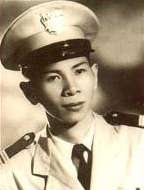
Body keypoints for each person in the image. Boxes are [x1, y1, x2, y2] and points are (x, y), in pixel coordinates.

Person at [0, 1, 144, 190]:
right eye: (53, 77)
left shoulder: (139, 142)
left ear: (95, 75)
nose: (71, 88)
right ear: (30, 92)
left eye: (79, 71)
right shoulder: (12, 172)